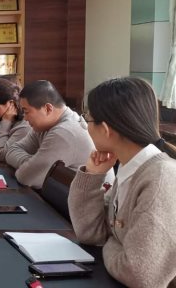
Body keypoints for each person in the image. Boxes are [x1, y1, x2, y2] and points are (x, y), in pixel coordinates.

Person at [68, 77, 176, 287]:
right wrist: (91, 176)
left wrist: (111, 242)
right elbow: (91, 233)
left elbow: (138, 274)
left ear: (106, 129)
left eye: (87, 119)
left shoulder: (161, 178)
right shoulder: (129, 167)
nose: (85, 126)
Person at [5, 80, 100, 189]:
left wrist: (32, 166)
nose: (25, 118)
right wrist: (32, 163)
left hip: (88, 203)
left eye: (26, 112)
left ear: (48, 108)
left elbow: (26, 177)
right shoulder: (43, 126)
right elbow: (12, 150)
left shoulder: (65, 132)